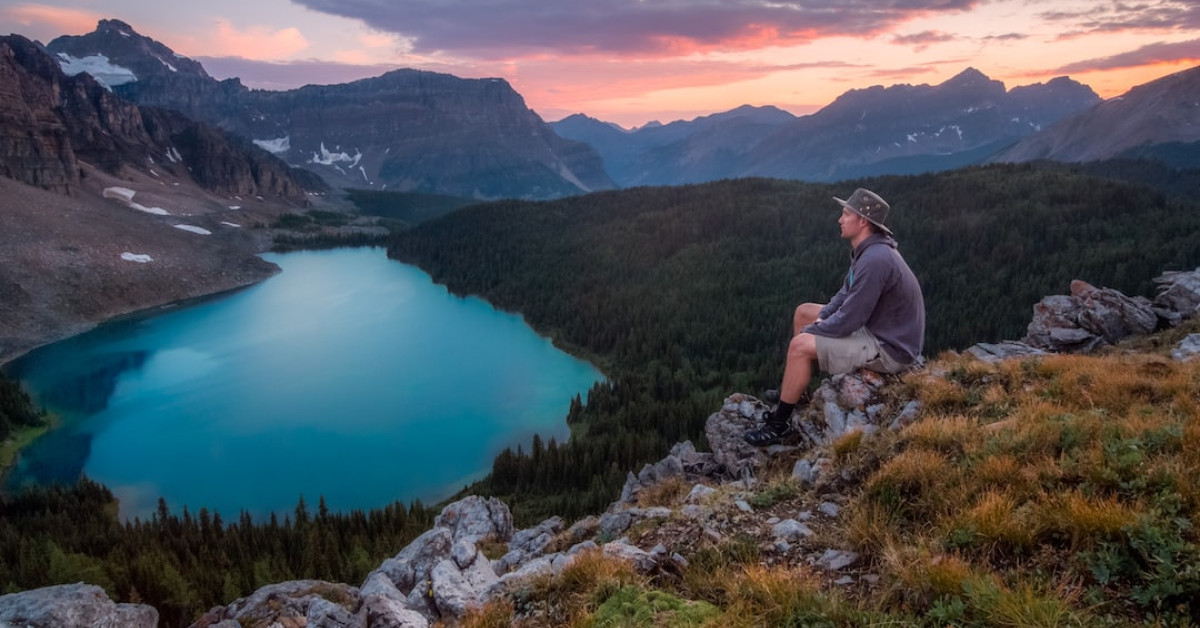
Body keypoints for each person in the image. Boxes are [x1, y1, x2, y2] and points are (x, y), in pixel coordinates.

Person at [744, 188, 925, 446]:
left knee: (799, 346)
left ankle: (778, 425)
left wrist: (816, 331)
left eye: (845, 214)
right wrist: (819, 320)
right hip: (878, 329)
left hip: (890, 348)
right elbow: (843, 296)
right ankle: (799, 392)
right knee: (803, 312)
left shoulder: (875, 260)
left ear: (862, 221)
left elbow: (850, 319)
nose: (839, 220)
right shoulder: (866, 251)